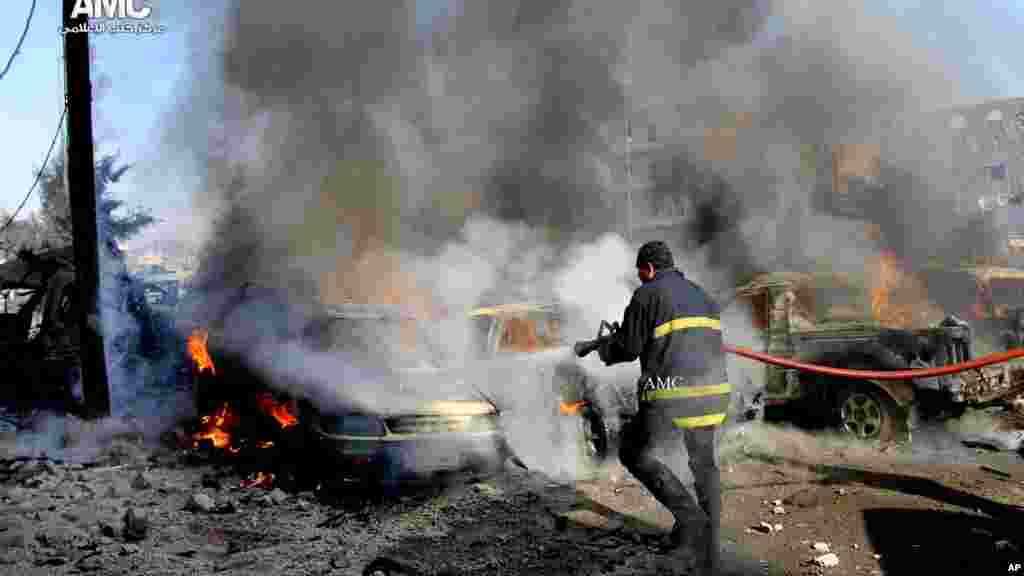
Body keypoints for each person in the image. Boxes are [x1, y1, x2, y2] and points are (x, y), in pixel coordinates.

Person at [598, 240, 731, 575]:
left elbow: (627, 348)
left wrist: (606, 351)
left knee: (633, 450)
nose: (640, 278)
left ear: (650, 269)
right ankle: (708, 541)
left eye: (641, 272)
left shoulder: (648, 294)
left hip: (673, 394)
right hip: (714, 392)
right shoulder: (702, 294)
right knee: (703, 461)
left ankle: (693, 522)